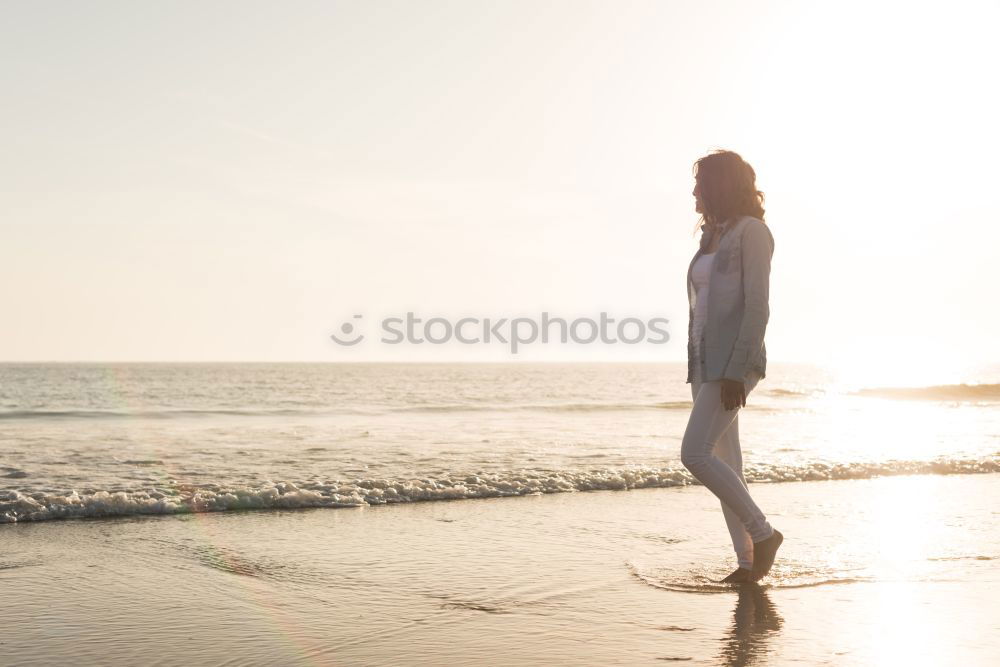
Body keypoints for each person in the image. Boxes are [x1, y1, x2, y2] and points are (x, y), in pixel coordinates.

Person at [680, 149, 783, 584]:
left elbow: (757, 307)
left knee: (694, 454)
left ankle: (764, 534)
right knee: (727, 464)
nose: (695, 191)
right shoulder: (711, 237)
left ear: (722, 185)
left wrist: (736, 371)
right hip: (704, 362)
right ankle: (746, 564)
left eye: (702, 182)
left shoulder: (752, 233)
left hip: (732, 364)